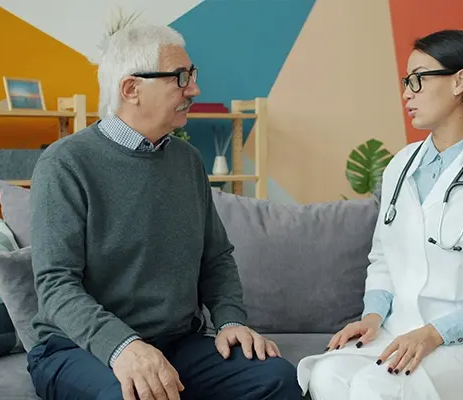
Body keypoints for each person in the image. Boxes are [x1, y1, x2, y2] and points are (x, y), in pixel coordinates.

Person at [27, 23, 300, 400]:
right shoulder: (65, 163)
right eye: (180, 77)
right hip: (76, 348)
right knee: (136, 395)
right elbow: (56, 285)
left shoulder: (187, 161)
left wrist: (230, 321)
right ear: (131, 89)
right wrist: (123, 347)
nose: (194, 89)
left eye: (192, 75)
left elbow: (216, 258)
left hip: (176, 343)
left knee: (278, 378)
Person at [297, 29, 463, 400]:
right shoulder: (401, 165)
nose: (407, 93)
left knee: (375, 385)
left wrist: (435, 333)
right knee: (327, 375)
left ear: (460, 81)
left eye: (418, 79)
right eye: (406, 81)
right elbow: (383, 257)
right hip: (401, 330)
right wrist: (372, 317)